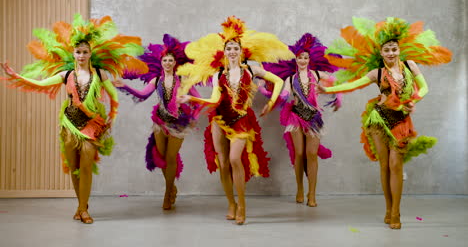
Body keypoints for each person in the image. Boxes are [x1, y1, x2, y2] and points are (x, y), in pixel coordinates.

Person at [0, 14, 147, 224]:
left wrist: (111, 120)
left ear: (90, 54)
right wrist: (15, 75)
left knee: (87, 166)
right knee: (75, 167)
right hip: (69, 124)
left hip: (91, 125)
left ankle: (83, 210)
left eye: (85, 52)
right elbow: (40, 84)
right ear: (73, 53)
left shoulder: (99, 73)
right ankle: (81, 206)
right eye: (78, 52)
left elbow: (114, 98)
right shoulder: (66, 75)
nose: (81, 55)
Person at [318, 17, 452, 229]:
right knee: (384, 166)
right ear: (380, 53)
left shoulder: (410, 65)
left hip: (401, 122)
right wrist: (328, 90)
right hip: (379, 120)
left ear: (399, 50)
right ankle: (388, 209)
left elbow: (424, 87)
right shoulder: (377, 73)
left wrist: (413, 100)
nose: (391, 53)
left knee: (395, 165)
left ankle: (397, 211)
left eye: (394, 49)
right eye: (387, 50)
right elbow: (352, 84)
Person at [177, 16, 294, 224]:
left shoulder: (251, 70)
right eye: (228, 48)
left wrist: (271, 102)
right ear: (224, 51)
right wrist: (192, 98)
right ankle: (230, 203)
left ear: (241, 51)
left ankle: (242, 205)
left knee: (234, 159)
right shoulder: (218, 74)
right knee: (223, 163)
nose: (232, 52)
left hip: (241, 119)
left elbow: (277, 81)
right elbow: (214, 99)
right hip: (220, 120)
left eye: (235, 48)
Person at [113, 34, 200, 210]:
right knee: (160, 156)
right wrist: (124, 86)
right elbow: (142, 95)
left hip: (178, 124)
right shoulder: (157, 80)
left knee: (170, 157)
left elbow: (198, 100)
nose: (168, 63)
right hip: (160, 122)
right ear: (161, 62)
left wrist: (193, 118)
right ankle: (172, 187)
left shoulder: (183, 80)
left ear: (176, 63)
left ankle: (167, 195)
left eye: (170, 60)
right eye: (165, 60)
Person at [262, 33, 342, 206]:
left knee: (311, 154)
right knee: (299, 154)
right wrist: (268, 92)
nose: (303, 61)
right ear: (295, 60)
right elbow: (282, 95)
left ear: (309, 59)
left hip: (313, 118)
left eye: (306, 58)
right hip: (296, 117)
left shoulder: (317, 75)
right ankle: (299, 188)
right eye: (300, 58)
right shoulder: (291, 79)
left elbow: (336, 82)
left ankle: (311, 194)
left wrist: (334, 95)